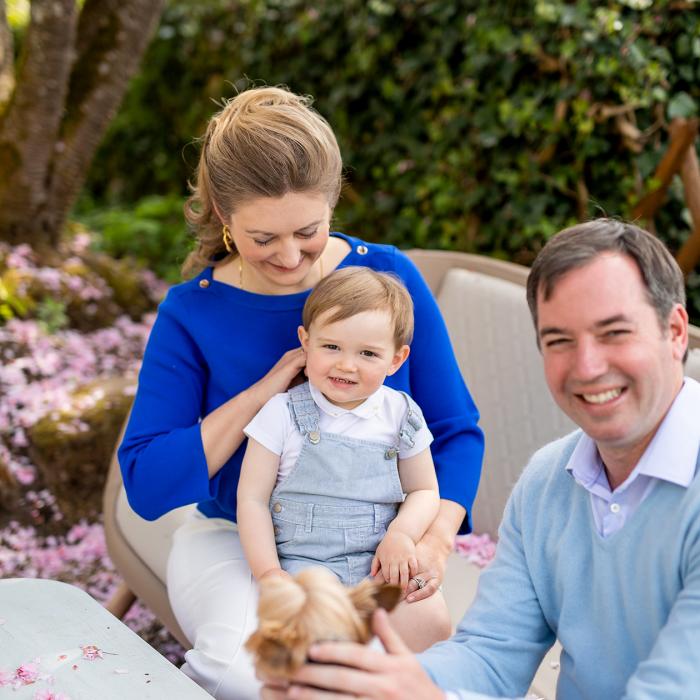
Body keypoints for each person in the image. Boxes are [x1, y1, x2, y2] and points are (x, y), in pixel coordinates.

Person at [117, 85, 484, 700]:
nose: (289, 257)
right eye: (263, 239)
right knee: (253, 675)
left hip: (370, 542)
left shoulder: (388, 280)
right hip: (238, 541)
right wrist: (264, 391)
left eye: (308, 231)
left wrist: (433, 540)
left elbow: (455, 432)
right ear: (223, 217)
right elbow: (148, 483)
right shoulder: (191, 315)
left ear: (334, 201)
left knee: (406, 664)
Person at [266, 218, 700, 700]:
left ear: (676, 332)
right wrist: (373, 684)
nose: (588, 366)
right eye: (559, 340)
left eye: (615, 333)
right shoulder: (549, 481)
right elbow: (492, 653)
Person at [238, 267, 450, 651]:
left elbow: (424, 489)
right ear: (306, 342)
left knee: (431, 624)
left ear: (396, 360)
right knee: (321, 638)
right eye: (331, 347)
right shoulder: (282, 413)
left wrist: (401, 535)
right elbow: (251, 498)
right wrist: (268, 573)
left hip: (379, 560)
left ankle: (406, 683)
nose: (346, 365)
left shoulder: (401, 414)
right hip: (305, 565)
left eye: (368, 353)